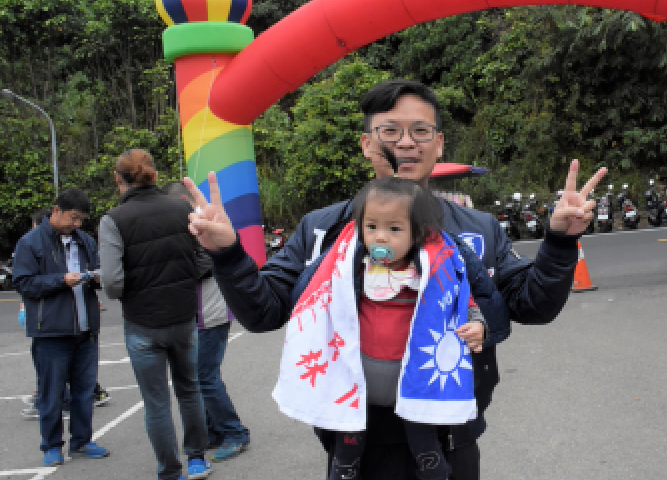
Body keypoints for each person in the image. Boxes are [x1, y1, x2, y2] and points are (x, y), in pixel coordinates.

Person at [183, 79, 605, 480]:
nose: (406, 142)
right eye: (390, 131)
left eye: (420, 131)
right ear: (367, 143)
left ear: (439, 143)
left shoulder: (477, 229)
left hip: (451, 438)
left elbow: (533, 305)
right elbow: (263, 311)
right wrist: (227, 252)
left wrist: (560, 241)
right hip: (354, 442)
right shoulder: (323, 228)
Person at [285, 174, 508, 480]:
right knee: (350, 422)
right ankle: (345, 464)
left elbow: (462, 299)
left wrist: (477, 323)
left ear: (418, 232)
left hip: (413, 373)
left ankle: (430, 460)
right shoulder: (347, 267)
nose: (381, 237)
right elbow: (321, 301)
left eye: (394, 229)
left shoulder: (437, 268)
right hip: (358, 376)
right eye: (371, 226)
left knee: (420, 421)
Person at [99, 149, 212, 480]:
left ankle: (170, 471)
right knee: (189, 389)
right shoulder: (182, 208)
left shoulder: (113, 220)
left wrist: (134, 289)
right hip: (183, 315)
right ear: (155, 175)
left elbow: (112, 282)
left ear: (118, 179)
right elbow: (204, 258)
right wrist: (183, 281)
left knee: (156, 401)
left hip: (143, 322)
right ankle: (197, 458)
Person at [12, 188, 110, 467]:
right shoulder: (30, 242)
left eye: (81, 220)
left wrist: (99, 277)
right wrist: (61, 280)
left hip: (86, 330)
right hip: (51, 332)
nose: (76, 224)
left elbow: (99, 267)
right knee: (51, 394)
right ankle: (52, 445)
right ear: (56, 211)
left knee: (84, 391)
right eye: (73, 217)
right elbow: (23, 283)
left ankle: (82, 440)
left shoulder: (85, 240)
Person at [163, 181, 252, 463]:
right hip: (197, 314)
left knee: (205, 376)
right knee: (197, 377)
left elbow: (205, 264)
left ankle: (235, 432)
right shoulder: (188, 226)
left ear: (184, 200)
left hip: (211, 313)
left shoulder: (205, 223)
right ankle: (212, 431)